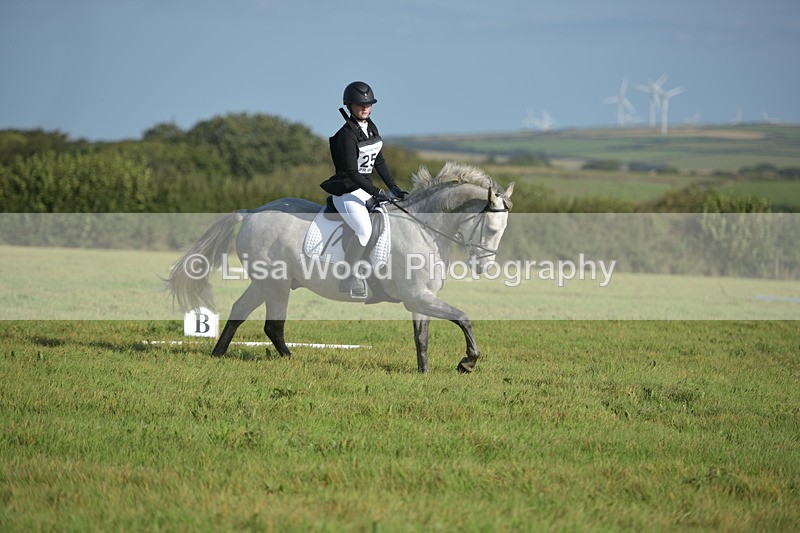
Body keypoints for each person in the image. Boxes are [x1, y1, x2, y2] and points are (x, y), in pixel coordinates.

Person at [320, 81, 408, 299]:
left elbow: (379, 161)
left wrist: (394, 187)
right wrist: (377, 192)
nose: (365, 108)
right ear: (349, 106)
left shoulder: (371, 127)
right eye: (360, 105)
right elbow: (352, 172)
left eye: (368, 105)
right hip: (347, 191)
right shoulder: (346, 135)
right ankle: (349, 277)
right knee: (364, 230)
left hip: (364, 189)